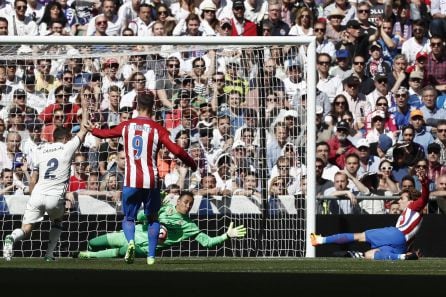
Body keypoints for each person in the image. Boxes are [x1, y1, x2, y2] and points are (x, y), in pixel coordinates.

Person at [85, 92, 197, 265]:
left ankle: (130, 242)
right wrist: (192, 163)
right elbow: (177, 151)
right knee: (153, 219)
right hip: (151, 180)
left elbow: (105, 134)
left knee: (129, 218)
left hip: (131, 180)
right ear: (153, 107)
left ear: (136, 107)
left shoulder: (126, 126)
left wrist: (92, 129)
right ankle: (151, 256)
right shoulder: (158, 129)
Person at [2, 95, 89, 262]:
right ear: (65, 138)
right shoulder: (67, 148)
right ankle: (49, 254)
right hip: (55, 197)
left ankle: (11, 238)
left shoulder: (41, 151)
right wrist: (84, 108)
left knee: (26, 229)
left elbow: (33, 178)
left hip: (37, 194)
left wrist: (32, 194)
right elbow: (84, 130)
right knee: (58, 220)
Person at [75, 191, 246, 259]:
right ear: (178, 201)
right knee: (94, 242)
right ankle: (90, 250)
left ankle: (91, 256)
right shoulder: (164, 208)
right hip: (131, 233)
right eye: (185, 202)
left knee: (122, 251)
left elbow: (207, 242)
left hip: (145, 248)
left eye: (190, 204)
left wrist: (226, 236)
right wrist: (152, 210)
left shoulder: (189, 226)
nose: (187, 206)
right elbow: (140, 217)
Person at [311, 175, 429, 260]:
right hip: (402, 246)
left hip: (396, 235)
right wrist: (410, 251)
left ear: (411, 201)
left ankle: (320, 240)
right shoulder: (415, 216)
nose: (399, 201)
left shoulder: (413, 206)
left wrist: (424, 183)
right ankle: (401, 257)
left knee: (359, 237)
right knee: (369, 255)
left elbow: (424, 198)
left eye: (402, 198)